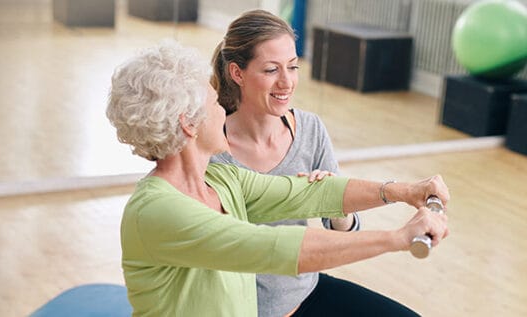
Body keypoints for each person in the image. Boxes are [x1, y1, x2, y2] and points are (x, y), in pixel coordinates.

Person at [106, 39, 450, 316]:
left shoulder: (222, 180)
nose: (223, 109)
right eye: (214, 102)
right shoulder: (157, 211)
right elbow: (274, 248)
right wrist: (398, 237)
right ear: (188, 122)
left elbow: (306, 193)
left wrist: (408, 191)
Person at [209, 9, 419, 317]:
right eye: (271, 70)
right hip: (241, 309)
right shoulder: (211, 149)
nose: (286, 82)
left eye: (292, 67)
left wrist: (333, 202)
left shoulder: (310, 129)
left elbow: (342, 234)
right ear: (237, 73)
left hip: (304, 293)